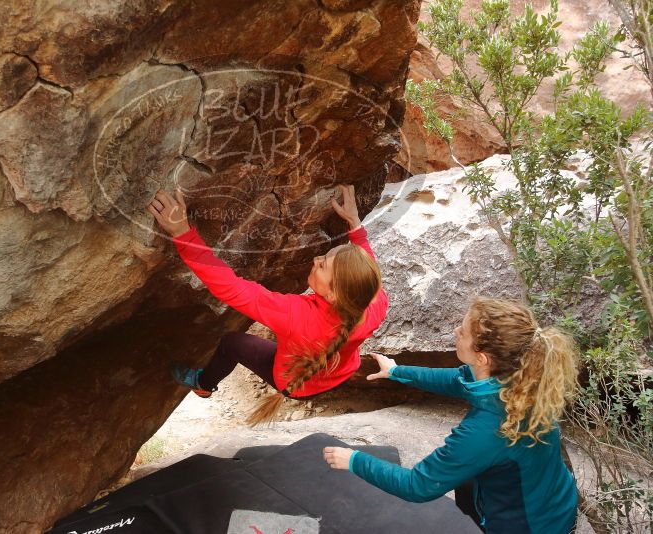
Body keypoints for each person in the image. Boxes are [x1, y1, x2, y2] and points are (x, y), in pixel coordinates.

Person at [323, 297, 580, 533]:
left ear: (481, 358)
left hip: (530, 526)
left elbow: (418, 486)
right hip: (554, 498)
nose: (456, 331)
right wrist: (397, 371)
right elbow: (457, 380)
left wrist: (354, 460)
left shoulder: (486, 431)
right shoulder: (521, 378)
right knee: (466, 485)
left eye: (463, 331)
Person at [146, 184, 389, 425]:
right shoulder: (375, 302)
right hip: (337, 374)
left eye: (323, 264)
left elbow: (230, 287)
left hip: (292, 382)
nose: (316, 259)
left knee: (232, 343)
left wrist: (182, 232)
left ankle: (204, 385)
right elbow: (366, 269)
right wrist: (355, 226)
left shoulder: (295, 315)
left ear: (334, 294)